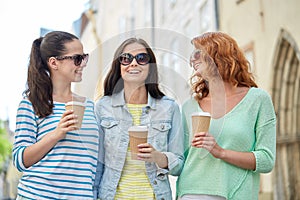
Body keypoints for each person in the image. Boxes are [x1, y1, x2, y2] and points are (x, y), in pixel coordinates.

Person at [176, 32, 276, 200]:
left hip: (235, 194)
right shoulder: (188, 107)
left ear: (219, 55)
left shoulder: (257, 100)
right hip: (190, 193)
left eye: (198, 53)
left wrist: (220, 152)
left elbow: (266, 160)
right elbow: (180, 160)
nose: (192, 60)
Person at [93, 37, 184, 200]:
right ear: (119, 66)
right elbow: (97, 164)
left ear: (150, 67)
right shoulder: (103, 107)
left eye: (141, 58)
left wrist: (158, 157)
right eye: (126, 58)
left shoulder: (169, 108)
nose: (133, 63)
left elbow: (178, 164)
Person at [12, 31, 99, 199]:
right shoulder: (31, 104)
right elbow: (20, 160)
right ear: (54, 63)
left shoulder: (90, 107)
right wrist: (56, 134)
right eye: (77, 58)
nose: (83, 64)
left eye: (84, 57)